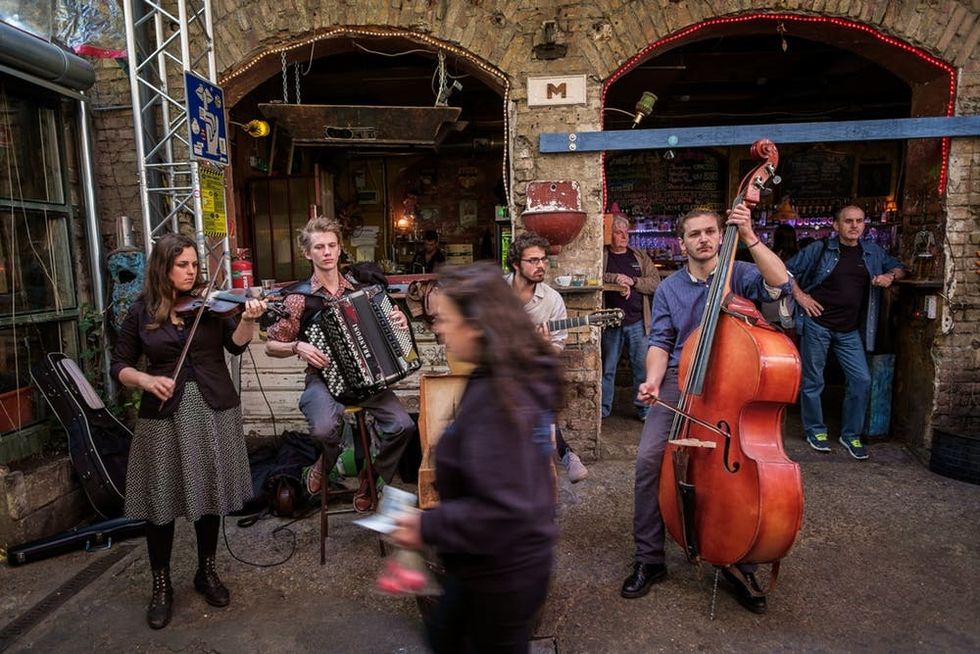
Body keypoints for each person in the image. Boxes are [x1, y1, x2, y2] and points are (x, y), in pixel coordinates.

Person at [623, 204, 792, 615]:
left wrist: (749, 236)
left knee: (741, 471)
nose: (704, 239)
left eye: (710, 232)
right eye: (694, 234)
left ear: (720, 235)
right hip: (680, 378)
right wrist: (652, 380)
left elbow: (781, 283)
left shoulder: (742, 273)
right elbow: (660, 342)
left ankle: (740, 559)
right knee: (649, 461)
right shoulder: (669, 288)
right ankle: (649, 558)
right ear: (682, 243)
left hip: (736, 380)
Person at [391, 262, 560, 653]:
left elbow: (503, 510)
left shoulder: (500, 399)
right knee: (443, 635)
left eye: (445, 319)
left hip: (501, 573)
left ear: (477, 326)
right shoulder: (506, 373)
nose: (439, 329)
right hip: (490, 563)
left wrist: (425, 525)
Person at [111, 233, 266, 629]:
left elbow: (235, 346)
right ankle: (161, 584)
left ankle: (206, 571)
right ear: (163, 267)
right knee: (160, 502)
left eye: (195, 265)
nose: (192, 271)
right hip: (163, 415)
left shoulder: (211, 305)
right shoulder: (141, 311)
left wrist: (248, 320)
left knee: (209, 494)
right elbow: (119, 365)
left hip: (213, 408)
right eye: (183, 265)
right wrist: (146, 380)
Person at [265, 217, 415, 511]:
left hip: (368, 381)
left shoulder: (364, 289)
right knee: (323, 429)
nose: (327, 252)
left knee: (403, 426)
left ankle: (372, 476)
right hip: (323, 380)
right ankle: (325, 463)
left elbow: (391, 327)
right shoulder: (298, 299)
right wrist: (297, 346)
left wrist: (399, 321)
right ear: (307, 253)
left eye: (331, 245)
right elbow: (271, 345)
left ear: (339, 248)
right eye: (319, 247)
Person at [785, 205, 905, 460]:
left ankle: (850, 435)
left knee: (862, 380)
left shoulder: (872, 252)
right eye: (848, 221)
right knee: (813, 380)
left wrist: (890, 276)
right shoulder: (819, 249)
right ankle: (815, 430)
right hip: (817, 324)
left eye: (859, 221)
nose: (854, 226)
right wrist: (801, 297)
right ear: (836, 225)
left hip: (849, 330)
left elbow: (899, 267)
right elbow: (784, 271)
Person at [505, 231, 588, 482]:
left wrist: (541, 348)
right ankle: (566, 453)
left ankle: (558, 456)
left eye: (543, 259)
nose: (541, 265)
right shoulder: (496, 291)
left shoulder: (552, 300)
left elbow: (557, 345)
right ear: (516, 264)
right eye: (533, 260)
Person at [601, 215, 661, 421]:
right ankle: (603, 409)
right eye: (619, 232)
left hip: (638, 321)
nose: (624, 236)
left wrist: (633, 281)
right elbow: (595, 276)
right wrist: (615, 279)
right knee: (607, 369)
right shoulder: (602, 256)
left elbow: (655, 282)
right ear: (609, 235)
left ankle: (644, 411)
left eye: (626, 232)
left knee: (641, 369)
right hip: (610, 322)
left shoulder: (639, 256)